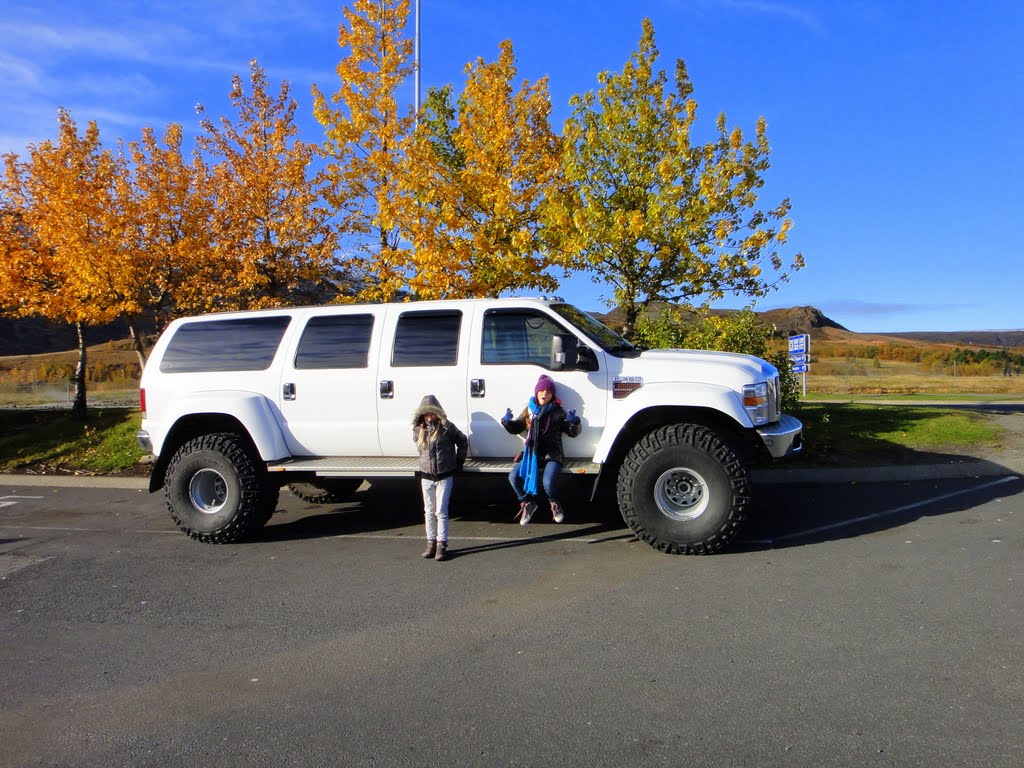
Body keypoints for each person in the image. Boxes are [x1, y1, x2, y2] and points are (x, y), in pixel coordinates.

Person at [502, 374, 581, 525]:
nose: (545, 394)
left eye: (549, 392)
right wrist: (506, 422)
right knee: (513, 478)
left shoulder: (558, 411)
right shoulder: (529, 410)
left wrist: (574, 423)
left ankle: (555, 504)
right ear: (536, 393)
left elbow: (572, 433)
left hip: (552, 453)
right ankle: (528, 503)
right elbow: (517, 427)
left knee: (548, 482)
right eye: (542, 391)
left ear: (552, 395)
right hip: (533, 454)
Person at [412, 394, 467, 562]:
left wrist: (459, 461)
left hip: (444, 475)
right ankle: (431, 543)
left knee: (441, 511)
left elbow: (462, 441)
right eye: (426, 414)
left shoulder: (447, 428)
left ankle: (442, 544)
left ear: (438, 413)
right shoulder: (418, 430)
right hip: (426, 476)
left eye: (432, 413)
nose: (429, 417)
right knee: (428, 511)